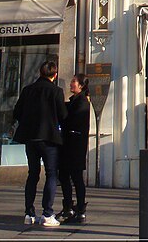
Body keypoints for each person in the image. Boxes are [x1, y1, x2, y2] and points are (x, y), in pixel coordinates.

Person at [13, 60, 67, 227]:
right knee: (51, 174)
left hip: (30, 138)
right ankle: (47, 213)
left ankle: (29, 213)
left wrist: (28, 123)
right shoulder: (56, 91)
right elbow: (63, 115)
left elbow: (17, 112)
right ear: (55, 74)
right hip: (48, 138)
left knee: (33, 174)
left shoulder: (28, 90)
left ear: (40, 72)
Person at [57, 74, 91, 224]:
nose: (71, 84)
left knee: (75, 177)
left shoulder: (82, 102)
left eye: (74, 82)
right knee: (65, 176)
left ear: (81, 86)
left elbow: (70, 121)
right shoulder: (75, 101)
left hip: (74, 146)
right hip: (70, 145)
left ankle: (78, 208)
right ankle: (70, 205)